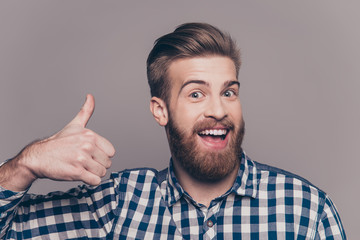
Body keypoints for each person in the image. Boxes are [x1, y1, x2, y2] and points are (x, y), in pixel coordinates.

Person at [0, 23, 346, 239]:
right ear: (160, 110)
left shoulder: (306, 211)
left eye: (229, 92)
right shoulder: (114, 205)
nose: (218, 110)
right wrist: (26, 164)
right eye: (196, 93)